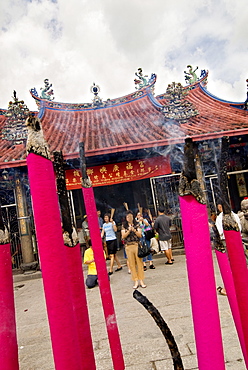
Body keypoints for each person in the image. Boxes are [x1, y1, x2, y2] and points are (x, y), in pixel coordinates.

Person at [121, 210, 146, 289]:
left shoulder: (137, 224)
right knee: (132, 264)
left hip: (136, 245)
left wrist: (134, 230)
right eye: (128, 217)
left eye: (130, 217)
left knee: (139, 263)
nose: (129, 218)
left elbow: (140, 235)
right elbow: (123, 236)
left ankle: (141, 280)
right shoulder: (124, 226)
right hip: (128, 246)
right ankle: (135, 280)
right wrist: (129, 230)